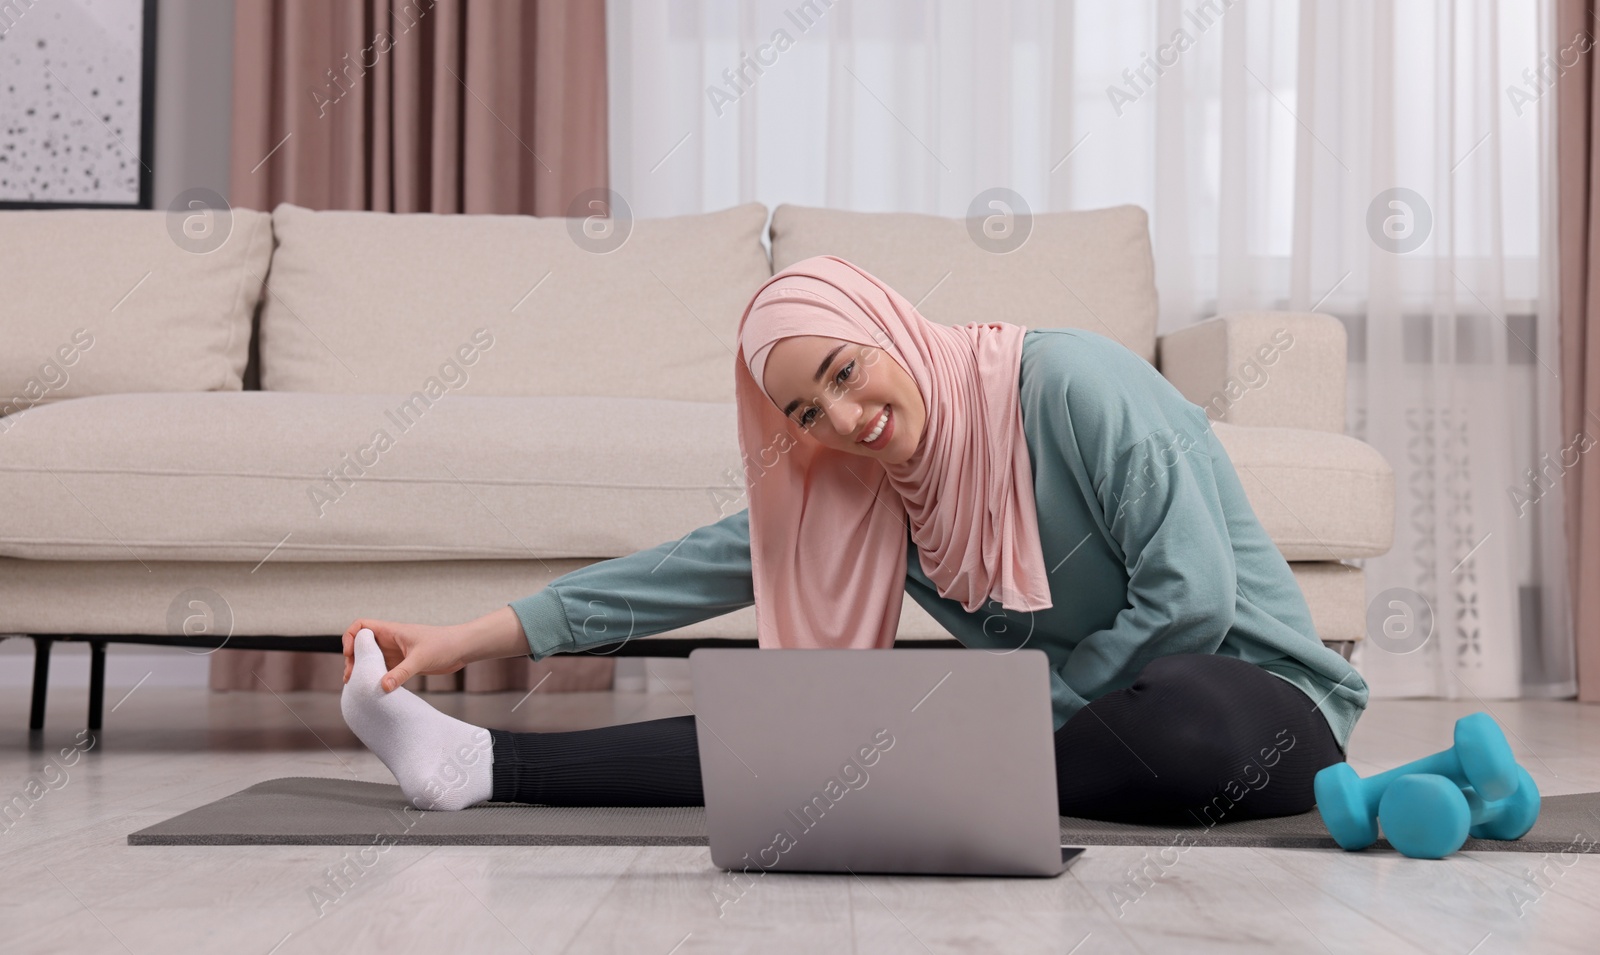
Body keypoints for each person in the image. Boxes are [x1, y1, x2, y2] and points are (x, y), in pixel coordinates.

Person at [340, 255, 1368, 824]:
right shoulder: (869, 484)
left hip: (1259, 716)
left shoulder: (1072, 383)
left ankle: (923, 770)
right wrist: (464, 640)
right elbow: (680, 575)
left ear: (887, 325)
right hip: (1068, 736)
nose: (839, 418)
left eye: (843, 369)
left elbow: (1192, 597)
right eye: (799, 411)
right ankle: (482, 761)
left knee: (1174, 712)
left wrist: (1022, 712)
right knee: (830, 720)